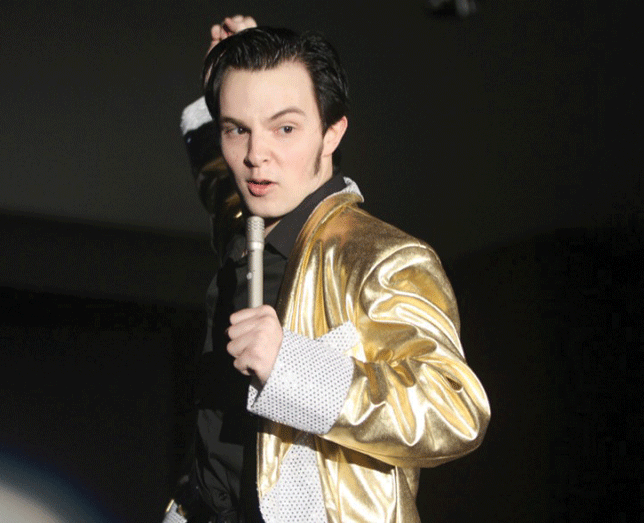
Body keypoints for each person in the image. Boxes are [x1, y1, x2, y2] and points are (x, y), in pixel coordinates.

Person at [164, 15, 490, 523]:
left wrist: (290, 368)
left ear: (332, 132)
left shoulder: (381, 256)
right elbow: (216, 176)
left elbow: (455, 410)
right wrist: (224, 79)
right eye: (237, 129)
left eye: (285, 128)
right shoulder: (245, 221)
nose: (255, 156)